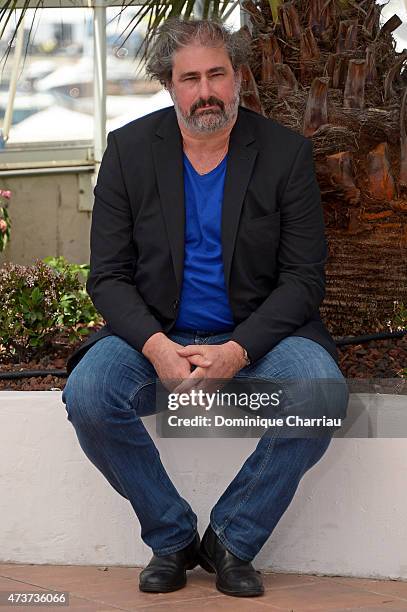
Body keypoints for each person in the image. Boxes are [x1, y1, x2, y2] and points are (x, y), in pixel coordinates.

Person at [62, 17, 349, 598]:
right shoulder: (129, 151)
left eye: (217, 73)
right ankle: (171, 537)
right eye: (189, 78)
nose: (205, 91)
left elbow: (302, 279)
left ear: (238, 76)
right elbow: (109, 277)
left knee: (320, 394)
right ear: (169, 85)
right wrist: (155, 347)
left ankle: (232, 539)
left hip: (259, 336)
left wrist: (238, 350)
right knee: (90, 395)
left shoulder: (284, 153)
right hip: (156, 333)